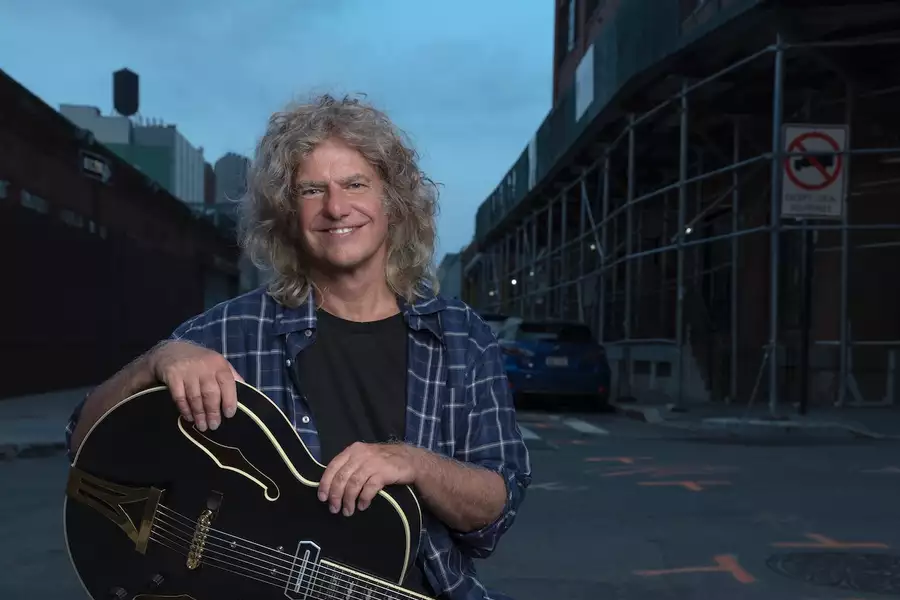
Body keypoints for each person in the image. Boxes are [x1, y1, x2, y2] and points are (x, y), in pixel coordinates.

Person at [65, 93, 532, 600]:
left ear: (393, 201)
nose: (336, 207)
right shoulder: (233, 330)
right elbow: (82, 441)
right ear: (287, 213)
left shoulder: (462, 337)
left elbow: (496, 509)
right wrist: (154, 363)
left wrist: (415, 464)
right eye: (312, 190)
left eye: (355, 184)